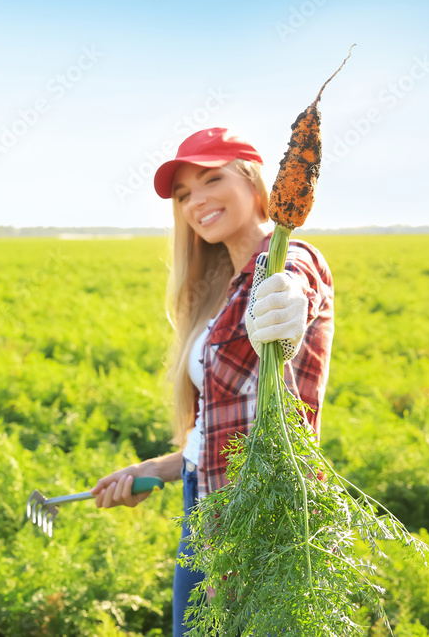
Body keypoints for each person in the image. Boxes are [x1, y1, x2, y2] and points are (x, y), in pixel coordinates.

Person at [89, 127, 335, 636]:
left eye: (211, 179)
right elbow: (225, 427)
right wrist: (158, 468)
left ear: (252, 182)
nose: (196, 201)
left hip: (262, 511)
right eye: (183, 195)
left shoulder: (288, 260)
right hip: (203, 504)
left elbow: (299, 277)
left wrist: (288, 296)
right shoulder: (217, 289)